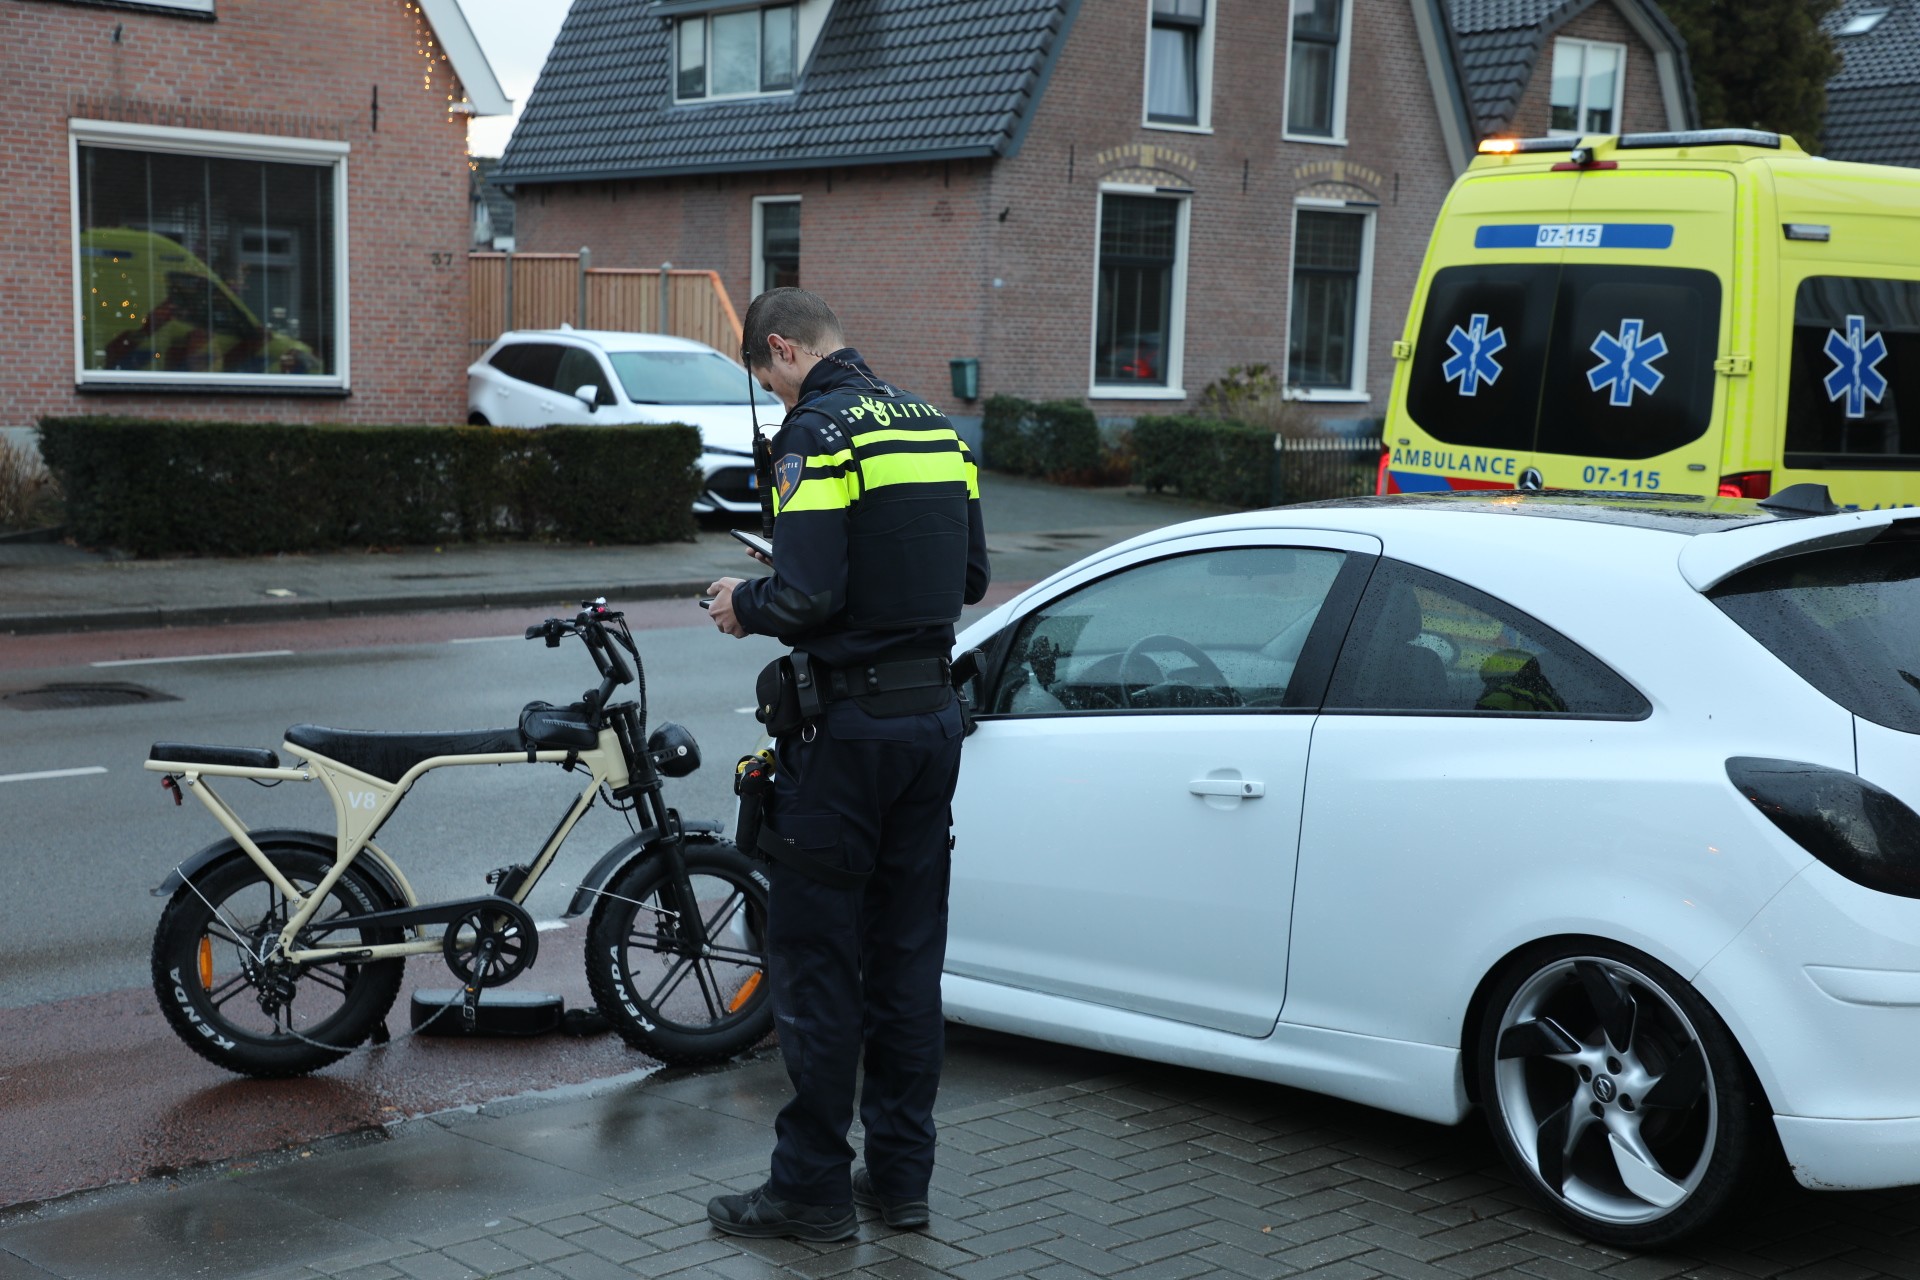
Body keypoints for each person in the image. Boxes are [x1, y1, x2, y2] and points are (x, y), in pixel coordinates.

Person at [703, 288, 990, 1241]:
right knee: (908, 959)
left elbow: (808, 593)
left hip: (847, 739)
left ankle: (811, 1191)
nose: (775, 401)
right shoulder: (937, 430)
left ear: (780, 350)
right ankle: (900, 1180)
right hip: (932, 728)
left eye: (766, 380)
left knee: (819, 963)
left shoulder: (816, 436)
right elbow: (970, 581)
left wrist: (746, 601)